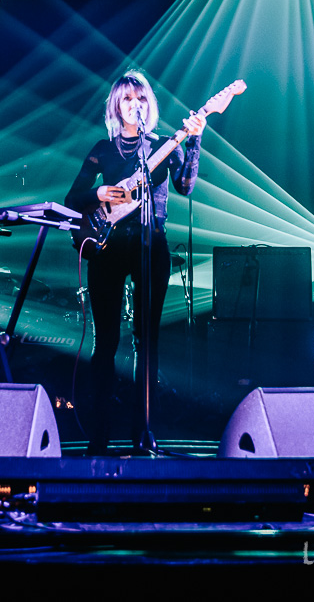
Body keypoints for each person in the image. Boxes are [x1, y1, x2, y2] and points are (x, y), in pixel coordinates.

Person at [65, 72, 205, 454]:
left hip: (151, 244)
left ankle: (143, 431)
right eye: (127, 99)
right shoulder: (102, 149)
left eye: (140, 98)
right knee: (106, 341)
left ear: (149, 105)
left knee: (148, 340)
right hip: (107, 246)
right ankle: (98, 435)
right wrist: (98, 192)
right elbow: (73, 198)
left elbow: (185, 185)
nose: (134, 105)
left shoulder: (163, 145)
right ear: (116, 105)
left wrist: (195, 140)